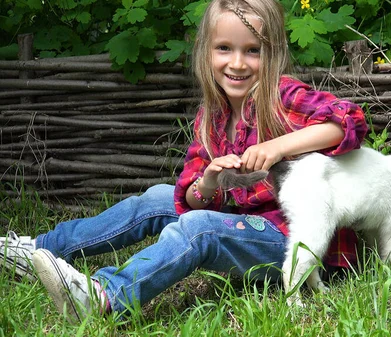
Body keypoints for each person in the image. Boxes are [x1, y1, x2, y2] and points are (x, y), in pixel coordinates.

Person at [0, 0, 367, 322]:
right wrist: (207, 183)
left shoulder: (281, 96)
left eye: (252, 50)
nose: (237, 63)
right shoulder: (212, 118)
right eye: (224, 48)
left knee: (200, 229)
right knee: (159, 197)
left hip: (296, 242)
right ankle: (38, 250)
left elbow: (350, 120)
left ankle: (104, 297)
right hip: (243, 224)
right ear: (206, 51)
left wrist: (280, 146)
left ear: (272, 54)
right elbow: (188, 199)